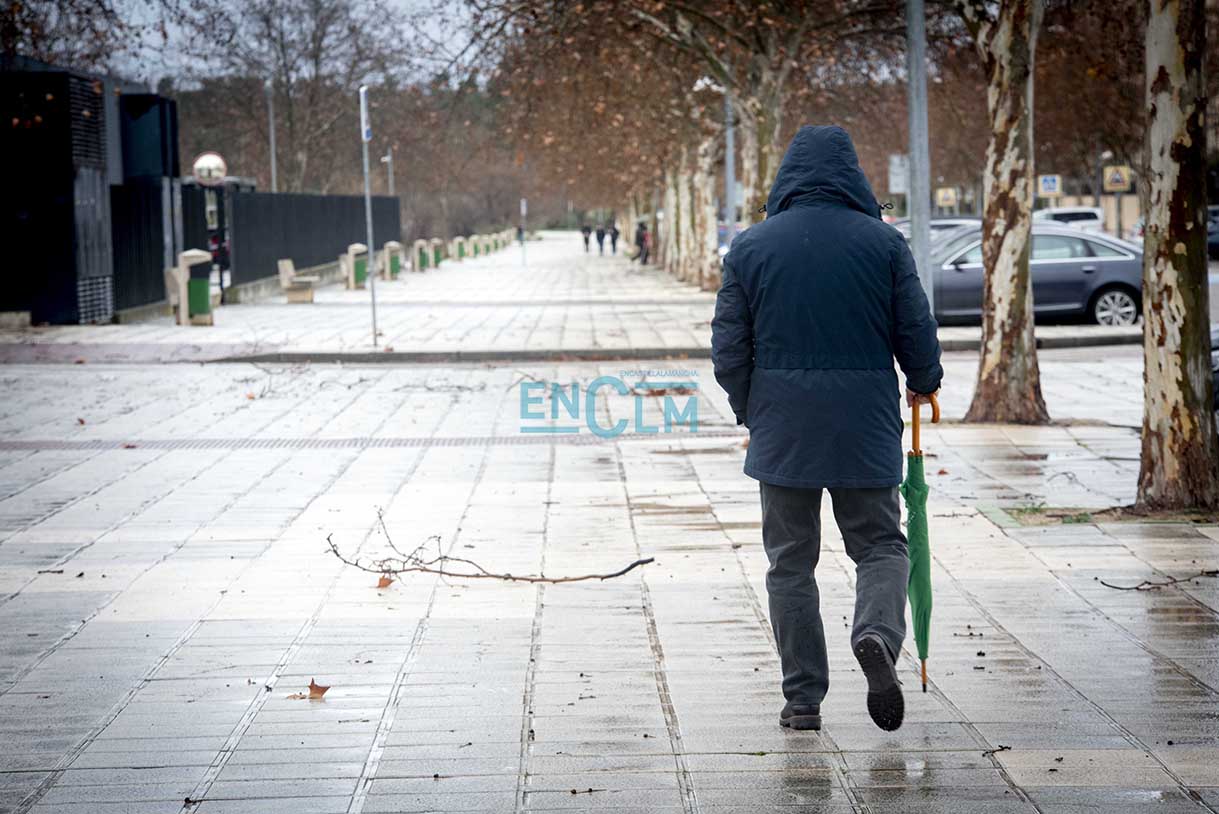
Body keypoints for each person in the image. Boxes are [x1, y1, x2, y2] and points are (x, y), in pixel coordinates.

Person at [711, 125, 942, 734]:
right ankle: (875, 634)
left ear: (786, 177)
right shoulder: (883, 245)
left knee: (790, 563)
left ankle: (802, 700)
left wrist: (750, 410)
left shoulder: (751, 247)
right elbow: (915, 329)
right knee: (881, 545)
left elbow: (728, 352)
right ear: (854, 176)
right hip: (864, 424)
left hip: (783, 430)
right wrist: (924, 378)